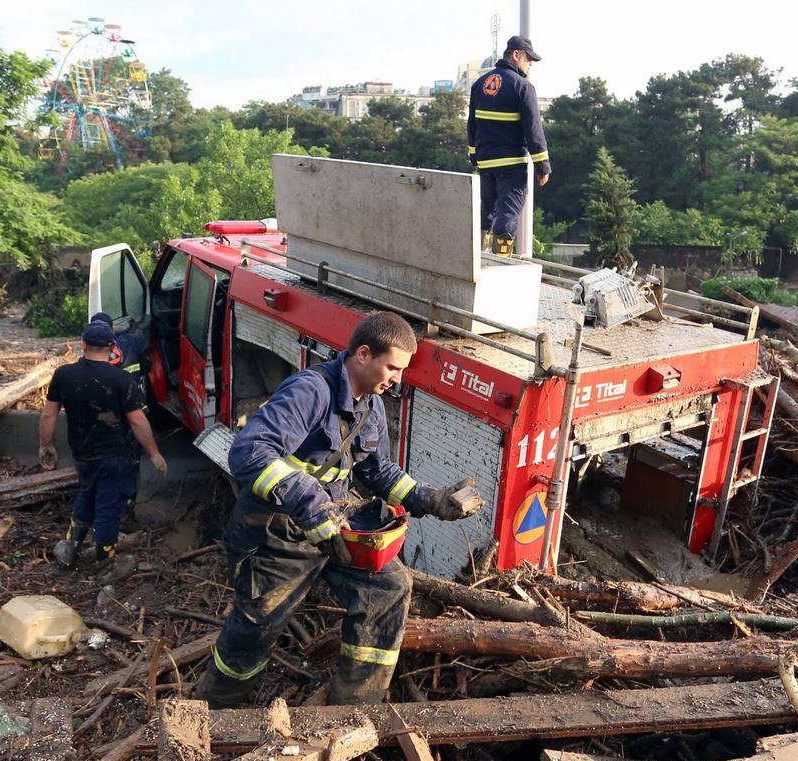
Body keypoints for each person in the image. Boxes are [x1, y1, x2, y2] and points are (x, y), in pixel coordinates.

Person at [195, 312, 483, 708]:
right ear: (363, 354)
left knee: (389, 586)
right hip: (276, 535)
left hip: (332, 528)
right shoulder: (310, 391)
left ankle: (355, 706)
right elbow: (247, 452)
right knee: (257, 627)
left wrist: (428, 499)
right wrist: (309, 502)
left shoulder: (371, 406)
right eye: (393, 367)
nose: (398, 379)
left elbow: (377, 470)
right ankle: (216, 707)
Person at [38, 319, 167, 583]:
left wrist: (45, 445)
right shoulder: (121, 379)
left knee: (87, 492)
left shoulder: (64, 375)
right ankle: (105, 564)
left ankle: (69, 547)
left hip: (83, 453)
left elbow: (49, 415)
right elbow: (137, 421)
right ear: (111, 348)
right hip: (115, 455)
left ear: (83, 345)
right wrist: (153, 453)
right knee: (108, 507)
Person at [468, 35, 551, 257]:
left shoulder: (479, 85)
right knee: (507, 213)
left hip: (486, 162)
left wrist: (474, 156)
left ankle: (479, 258)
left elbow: (472, 124)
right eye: (528, 58)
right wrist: (543, 166)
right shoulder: (522, 86)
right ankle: (500, 262)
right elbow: (533, 130)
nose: (530, 63)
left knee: (486, 210)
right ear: (516, 55)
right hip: (511, 164)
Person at [89, 311, 148, 530]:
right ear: (111, 330)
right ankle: (126, 512)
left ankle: (100, 511)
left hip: (103, 420)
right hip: (131, 413)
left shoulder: (85, 358)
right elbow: (145, 341)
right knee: (131, 463)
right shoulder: (130, 342)